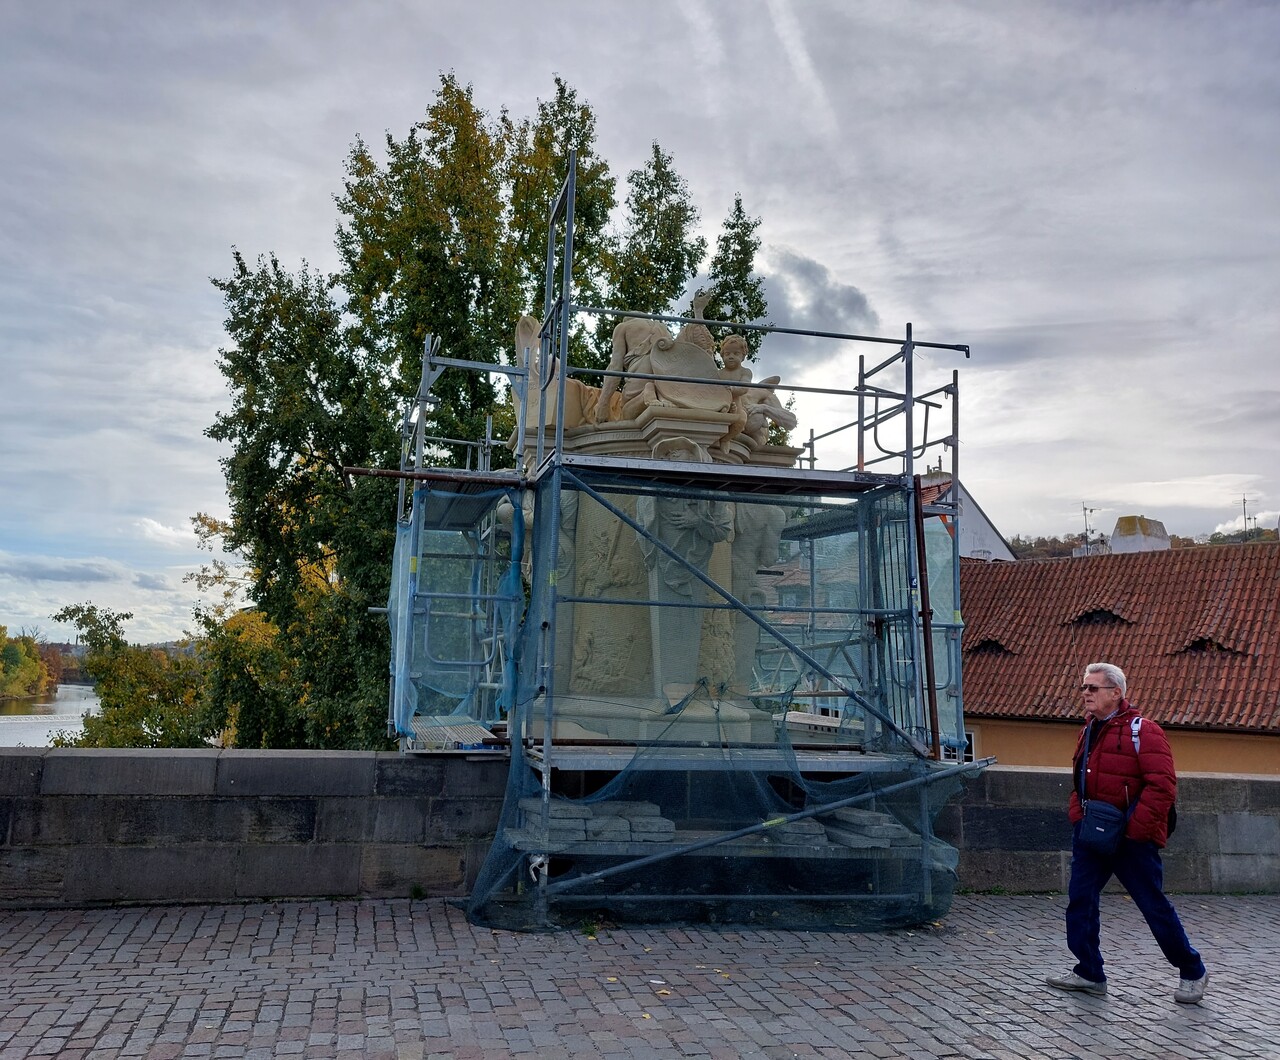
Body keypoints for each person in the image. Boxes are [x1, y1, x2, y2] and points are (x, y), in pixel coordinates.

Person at [1045, 662, 1209, 1004]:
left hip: (1132, 839)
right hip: (1091, 833)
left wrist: (1134, 831)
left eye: (1093, 688)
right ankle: (1089, 972)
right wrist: (1078, 815)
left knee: (1153, 906)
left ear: (1116, 693)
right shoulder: (1088, 729)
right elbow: (1079, 777)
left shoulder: (1144, 731)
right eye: (1083, 688)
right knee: (1080, 901)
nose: (1086, 694)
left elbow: (1162, 786)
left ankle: (1192, 970)